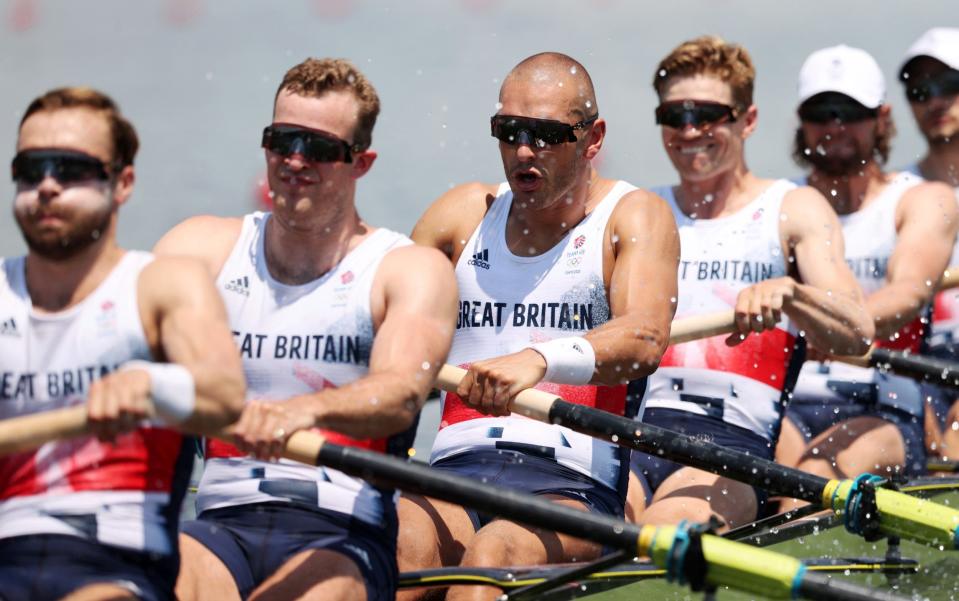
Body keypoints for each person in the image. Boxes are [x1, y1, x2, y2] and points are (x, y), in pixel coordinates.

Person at [154, 58, 457, 601]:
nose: (295, 161)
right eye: (281, 140)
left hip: (342, 535)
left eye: (317, 148)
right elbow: (117, 339)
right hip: (221, 524)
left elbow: (401, 393)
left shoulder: (404, 269)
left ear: (360, 163)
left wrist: (300, 411)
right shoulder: (200, 248)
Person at [397, 52, 680, 601]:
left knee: (491, 559)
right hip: (452, 472)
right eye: (509, 131)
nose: (524, 151)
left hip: (569, 489)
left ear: (592, 138)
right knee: (400, 542)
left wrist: (538, 360)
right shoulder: (461, 214)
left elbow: (645, 337)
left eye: (547, 135)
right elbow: (375, 318)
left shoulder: (631, 216)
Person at [0, 87, 245, 601]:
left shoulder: (162, 285)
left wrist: (151, 383)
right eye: (30, 169)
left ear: (123, 182)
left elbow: (224, 396)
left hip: (114, 564)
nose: (46, 186)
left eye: (69, 170)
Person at [625, 37, 873, 529]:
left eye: (708, 114)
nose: (689, 130)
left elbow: (859, 333)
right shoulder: (637, 211)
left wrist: (793, 296)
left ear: (749, 120)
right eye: (674, 116)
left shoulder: (792, 210)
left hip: (731, 450)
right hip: (627, 440)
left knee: (658, 533)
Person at [776, 45, 959, 503]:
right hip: (790, 403)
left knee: (811, 480)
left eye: (850, 112)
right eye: (821, 112)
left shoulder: (921, 200)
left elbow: (905, 296)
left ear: (881, 118)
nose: (835, 126)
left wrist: (837, 329)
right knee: (768, 476)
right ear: (801, 119)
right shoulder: (779, 204)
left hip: (884, 405)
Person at [897, 28, 959, 457]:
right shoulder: (895, 196)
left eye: (950, 86)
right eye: (921, 90)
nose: (935, 101)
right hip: (919, 363)